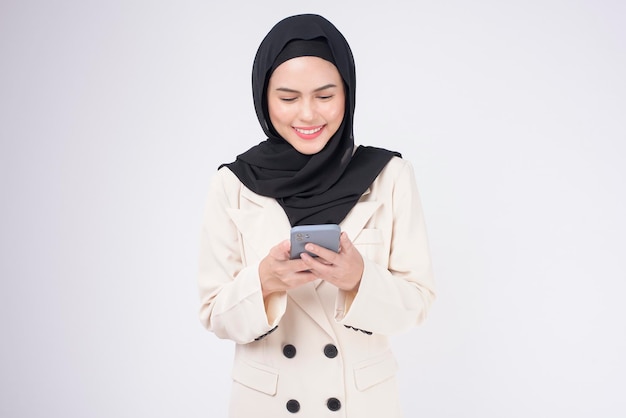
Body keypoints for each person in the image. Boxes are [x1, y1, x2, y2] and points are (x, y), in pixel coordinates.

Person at [198, 14, 435, 417]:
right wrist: (265, 282)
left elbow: (418, 303)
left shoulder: (388, 175)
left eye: (325, 96)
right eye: (288, 98)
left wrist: (360, 280)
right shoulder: (234, 184)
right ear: (263, 97)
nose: (307, 115)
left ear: (348, 92)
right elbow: (214, 314)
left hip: (361, 405)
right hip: (267, 405)